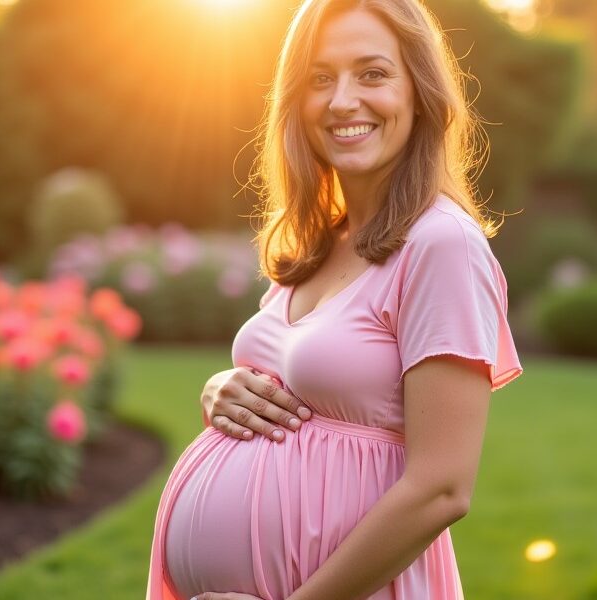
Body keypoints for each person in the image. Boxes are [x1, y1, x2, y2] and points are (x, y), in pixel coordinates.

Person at [147, 0, 522, 598]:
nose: (342, 100)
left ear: (419, 92)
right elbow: (292, 392)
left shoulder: (441, 245)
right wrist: (220, 391)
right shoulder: (322, 240)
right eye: (321, 78)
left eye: (372, 74)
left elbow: (441, 489)